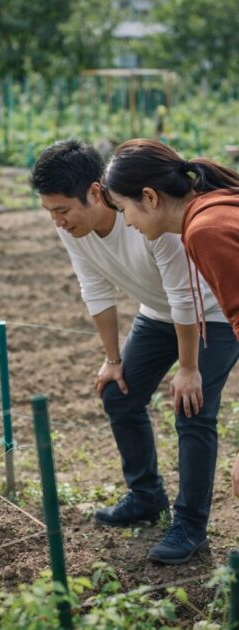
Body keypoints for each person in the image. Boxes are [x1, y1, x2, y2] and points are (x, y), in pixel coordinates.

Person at [30, 139, 239, 565]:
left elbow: (186, 297)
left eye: (63, 210)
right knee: (119, 393)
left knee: (192, 407)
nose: (57, 221)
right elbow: (95, 288)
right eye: (50, 212)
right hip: (160, 312)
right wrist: (113, 360)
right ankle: (146, 496)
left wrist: (189, 368)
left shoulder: (156, 217)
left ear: (94, 192)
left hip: (211, 313)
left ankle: (191, 525)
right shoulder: (78, 229)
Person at [100, 138, 239, 502]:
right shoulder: (211, 210)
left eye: (123, 208)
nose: (126, 222)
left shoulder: (205, 229)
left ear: (150, 197)